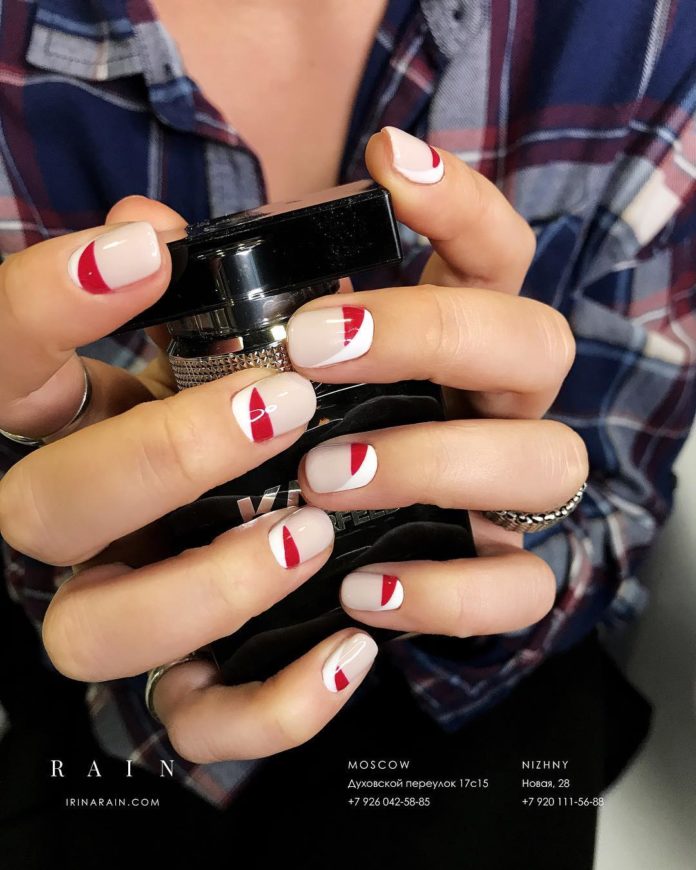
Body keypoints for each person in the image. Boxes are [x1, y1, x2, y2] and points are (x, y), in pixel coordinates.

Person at [0, 0, 693, 867]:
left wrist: (521, 515)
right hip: (111, 740)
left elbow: (621, 496)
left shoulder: (642, 32)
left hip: (482, 705)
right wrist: (59, 536)